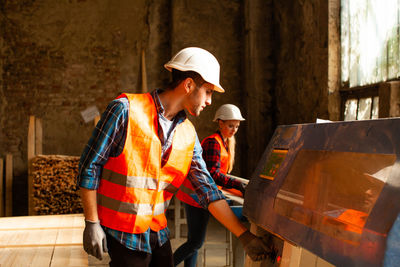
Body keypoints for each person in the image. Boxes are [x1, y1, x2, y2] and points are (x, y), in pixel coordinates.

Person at [77, 47, 274, 267]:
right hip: (121, 231)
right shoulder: (125, 110)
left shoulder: (188, 134)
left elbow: (207, 190)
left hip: (157, 231)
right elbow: (89, 165)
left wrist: (244, 237)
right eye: (208, 92)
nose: (210, 101)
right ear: (189, 85)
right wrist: (91, 222)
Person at [173, 104, 247, 267]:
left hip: (200, 196)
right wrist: (238, 185)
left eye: (236, 126)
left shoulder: (225, 142)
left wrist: (238, 187)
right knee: (195, 243)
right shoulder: (213, 143)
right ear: (220, 123)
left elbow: (220, 174)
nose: (234, 129)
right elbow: (213, 174)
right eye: (230, 125)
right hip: (197, 196)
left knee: (194, 242)